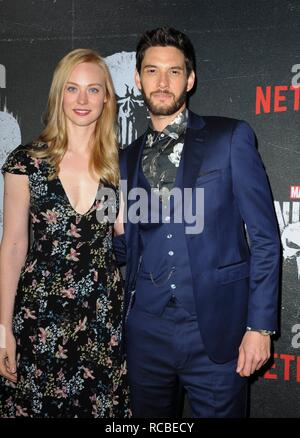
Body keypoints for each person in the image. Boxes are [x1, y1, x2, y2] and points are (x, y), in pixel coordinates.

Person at [113, 27, 281, 418]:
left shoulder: (230, 137)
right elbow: (124, 252)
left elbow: (266, 238)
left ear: (190, 79)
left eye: (173, 72)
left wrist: (260, 327)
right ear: (138, 80)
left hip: (217, 332)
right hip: (146, 334)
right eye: (152, 71)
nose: (162, 82)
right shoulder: (123, 159)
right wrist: (118, 226)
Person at [0, 48, 131, 418]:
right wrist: (2, 329)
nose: (82, 99)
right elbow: (12, 245)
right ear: (59, 94)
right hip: (39, 316)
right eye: (72, 89)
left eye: (93, 89)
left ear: (107, 97)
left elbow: (119, 236)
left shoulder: (115, 167)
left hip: (101, 319)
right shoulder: (27, 161)